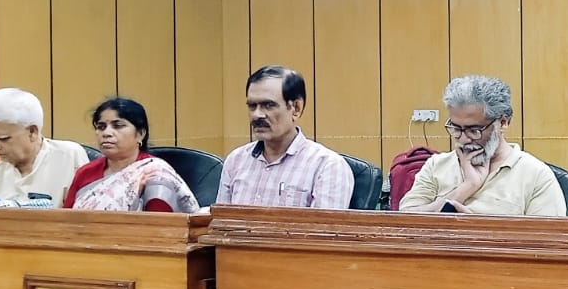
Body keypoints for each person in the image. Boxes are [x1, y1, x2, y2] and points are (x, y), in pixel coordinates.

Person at [399, 75, 566, 216]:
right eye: (456, 128)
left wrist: (476, 228)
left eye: (474, 130)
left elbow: (548, 240)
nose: (463, 139)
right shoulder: (436, 165)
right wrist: (466, 187)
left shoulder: (536, 175)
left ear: (503, 123)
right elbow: (404, 220)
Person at [217, 65, 354, 208]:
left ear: (296, 108)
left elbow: (324, 223)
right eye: (252, 106)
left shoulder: (327, 166)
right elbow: (220, 220)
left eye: (268, 105)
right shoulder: (236, 160)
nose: (257, 115)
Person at [63, 97, 199, 213]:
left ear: (140, 134)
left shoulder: (156, 174)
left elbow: (160, 225)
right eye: (101, 127)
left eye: (118, 126)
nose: (106, 133)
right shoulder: (85, 173)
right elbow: (65, 220)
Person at [0, 88, 89, 207]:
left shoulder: (69, 157)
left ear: (32, 132)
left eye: (3, 138)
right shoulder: (0, 171)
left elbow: (87, 212)